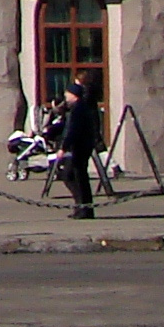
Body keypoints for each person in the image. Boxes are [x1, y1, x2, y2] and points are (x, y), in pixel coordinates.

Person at [52, 76, 103, 220]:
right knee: (78, 176)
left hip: (79, 147)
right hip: (82, 146)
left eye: (68, 93)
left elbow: (71, 130)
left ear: (74, 95)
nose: (65, 96)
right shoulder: (77, 107)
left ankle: (83, 207)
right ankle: (83, 207)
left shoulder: (77, 109)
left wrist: (63, 147)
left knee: (73, 176)